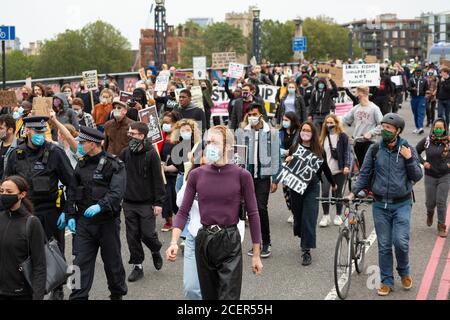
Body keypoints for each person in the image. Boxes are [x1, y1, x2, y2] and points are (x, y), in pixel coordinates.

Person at [166, 125, 263, 300]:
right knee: (208, 296)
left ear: (227, 146)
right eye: (207, 142)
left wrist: (256, 254)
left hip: (229, 240)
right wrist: (174, 241)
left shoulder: (242, 175)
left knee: (228, 297)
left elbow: (254, 214)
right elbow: (182, 212)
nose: (209, 146)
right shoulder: (197, 174)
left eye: (214, 142)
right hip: (204, 240)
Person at [347, 113, 423, 297]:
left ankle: (404, 271)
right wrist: (353, 192)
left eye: (388, 128)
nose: (384, 131)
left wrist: (409, 159)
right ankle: (386, 281)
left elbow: (417, 176)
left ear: (398, 131)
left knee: (401, 242)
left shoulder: (407, 148)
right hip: (380, 205)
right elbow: (364, 174)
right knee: (384, 245)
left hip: (402, 204)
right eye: (383, 127)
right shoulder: (374, 150)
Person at [4, 116, 76, 300]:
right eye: (35, 131)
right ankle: (26, 287)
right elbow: (7, 183)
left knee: (53, 251)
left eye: (42, 132)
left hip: (50, 211)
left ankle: (58, 287)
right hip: (24, 213)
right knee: (25, 252)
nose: (39, 135)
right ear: (27, 131)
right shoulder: (16, 154)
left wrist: (68, 212)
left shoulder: (55, 152)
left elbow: (71, 182)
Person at [67, 126, 128, 300]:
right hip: (84, 224)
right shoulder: (81, 163)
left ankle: (117, 294)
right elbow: (72, 190)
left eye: (82, 143)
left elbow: (117, 192)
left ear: (93, 144)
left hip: (106, 222)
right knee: (78, 264)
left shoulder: (114, 164)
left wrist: (101, 205)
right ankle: (77, 296)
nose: (79, 145)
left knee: (112, 263)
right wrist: (70, 214)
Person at [275, 121, 336, 266]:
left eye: (308, 130)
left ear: (313, 133)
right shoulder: (295, 147)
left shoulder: (319, 150)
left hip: (312, 187)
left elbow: (325, 168)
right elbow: (286, 167)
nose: (305, 132)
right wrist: (287, 161)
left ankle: (306, 250)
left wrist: (333, 183)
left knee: (309, 217)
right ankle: (302, 234)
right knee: (299, 216)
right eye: (303, 130)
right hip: (296, 187)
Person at [119, 122, 165, 283]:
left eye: (133, 133)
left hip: (147, 202)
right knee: (132, 236)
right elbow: (118, 174)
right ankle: (137, 265)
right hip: (129, 202)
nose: (130, 135)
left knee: (147, 234)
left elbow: (158, 180)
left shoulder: (151, 154)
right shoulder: (125, 153)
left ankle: (155, 249)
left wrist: (158, 202)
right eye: (129, 133)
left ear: (142, 136)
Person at [237, 104, 281, 258]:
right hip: (248, 177)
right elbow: (239, 155)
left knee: (261, 208)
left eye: (254, 114)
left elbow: (276, 156)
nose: (252, 117)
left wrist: (275, 178)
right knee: (250, 211)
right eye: (249, 114)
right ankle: (256, 243)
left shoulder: (272, 133)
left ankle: (266, 242)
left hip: (263, 177)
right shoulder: (243, 132)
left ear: (261, 115)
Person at [0, 176, 46, 300]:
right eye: (1, 191)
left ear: (22, 194)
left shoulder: (31, 223)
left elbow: (40, 265)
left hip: (21, 293)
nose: (4, 195)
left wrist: (37, 296)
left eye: (9, 192)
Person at [416, 119, 450, 238]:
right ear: (433, 128)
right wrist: (423, 162)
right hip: (430, 175)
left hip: (445, 176)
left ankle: (441, 226)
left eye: (441, 128)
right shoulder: (427, 141)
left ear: (445, 129)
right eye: (436, 128)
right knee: (430, 202)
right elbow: (415, 151)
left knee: (441, 201)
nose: (438, 130)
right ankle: (430, 212)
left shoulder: (449, 142)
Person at [318, 115, 351, 227]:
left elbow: (347, 152)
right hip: (326, 171)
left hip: (339, 170)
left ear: (337, 123)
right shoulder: (323, 137)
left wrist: (346, 165)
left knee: (338, 193)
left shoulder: (342, 137)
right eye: (327, 123)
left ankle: (338, 215)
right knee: (325, 192)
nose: (329, 125)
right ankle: (326, 215)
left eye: (331, 122)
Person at [342, 86, 383, 169]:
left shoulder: (374, 108)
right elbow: (344, 120)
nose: (355, 95)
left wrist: (371, 133)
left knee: (367, 166)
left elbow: (382, 126)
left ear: (362, 94)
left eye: (356, 93)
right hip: (357, 141)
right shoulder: (356, 108)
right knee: (361, 166)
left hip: (370, 142)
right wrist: (333, 122)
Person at [160, 111, 182, 232]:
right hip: (162, 173)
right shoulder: (161, 136)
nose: (165, 125)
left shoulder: (180, 138)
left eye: (168, 123)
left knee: (175, 198)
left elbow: (181, 159)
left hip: (175, 172)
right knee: (165, 197)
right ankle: (168, 220)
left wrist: (170, 167)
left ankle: (180, 218)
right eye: (163, 123)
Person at [278, 112, 301, 224]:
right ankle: (292, 212)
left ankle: (297, 213)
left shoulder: (299, 132)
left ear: (293, 121)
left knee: (295, 189)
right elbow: (276, 147)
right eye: (283, 119)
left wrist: (292, 153)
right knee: (286, 190)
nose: (284, 122)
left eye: (287, 120)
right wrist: (284, 152)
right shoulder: (280, 133)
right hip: (284, 164)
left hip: (296, 164)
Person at [408, 67, 428, 135]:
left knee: (420, 112)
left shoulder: (424, 80)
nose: (418, 73)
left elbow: (426, 89)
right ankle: (417, 127)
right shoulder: (411, 80)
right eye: (417, 72)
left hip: (421, 98)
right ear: (415, 72)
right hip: (414, 98)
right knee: (415, 113)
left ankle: (420, 127)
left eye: (419, 72)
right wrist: (412, 89)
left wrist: (426, 96)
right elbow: (408, 88)